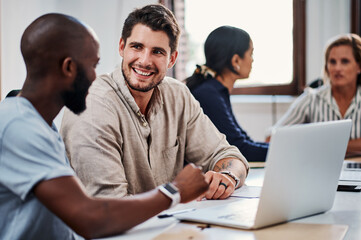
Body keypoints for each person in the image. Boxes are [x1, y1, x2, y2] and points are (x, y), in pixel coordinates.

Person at [0, 13, 209, 240]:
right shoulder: (19, 127)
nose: (94, 78)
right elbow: (89, 217)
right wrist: (174, 191)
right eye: (92, 65)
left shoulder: (40, 126)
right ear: (69, 68)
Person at [60, 4, 249, 201]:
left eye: (157, 52)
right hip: (113, 230)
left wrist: (227, 177)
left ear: (172, 59)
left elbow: (229, 155)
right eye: (137, 47)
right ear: (122, 47)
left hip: (168, 224)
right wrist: (177, 193)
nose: (145, 61)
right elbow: (109, 207)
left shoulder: (177, 94)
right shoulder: (91, 106)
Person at [268, 33, 361, 157]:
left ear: (358, 67)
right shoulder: (311, 99)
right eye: (332, 62)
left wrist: (323, 145)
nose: (337, 68)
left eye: (345, 61)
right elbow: (272, 138)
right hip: (320, 169)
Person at [185, 26, 269, 162]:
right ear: (235, 60)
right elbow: (239, 148)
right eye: (251, 54)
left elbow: (243, 140)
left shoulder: (216, 91)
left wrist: (277, 148)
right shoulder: (208, 95)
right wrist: (283, 151)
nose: (252, 60)